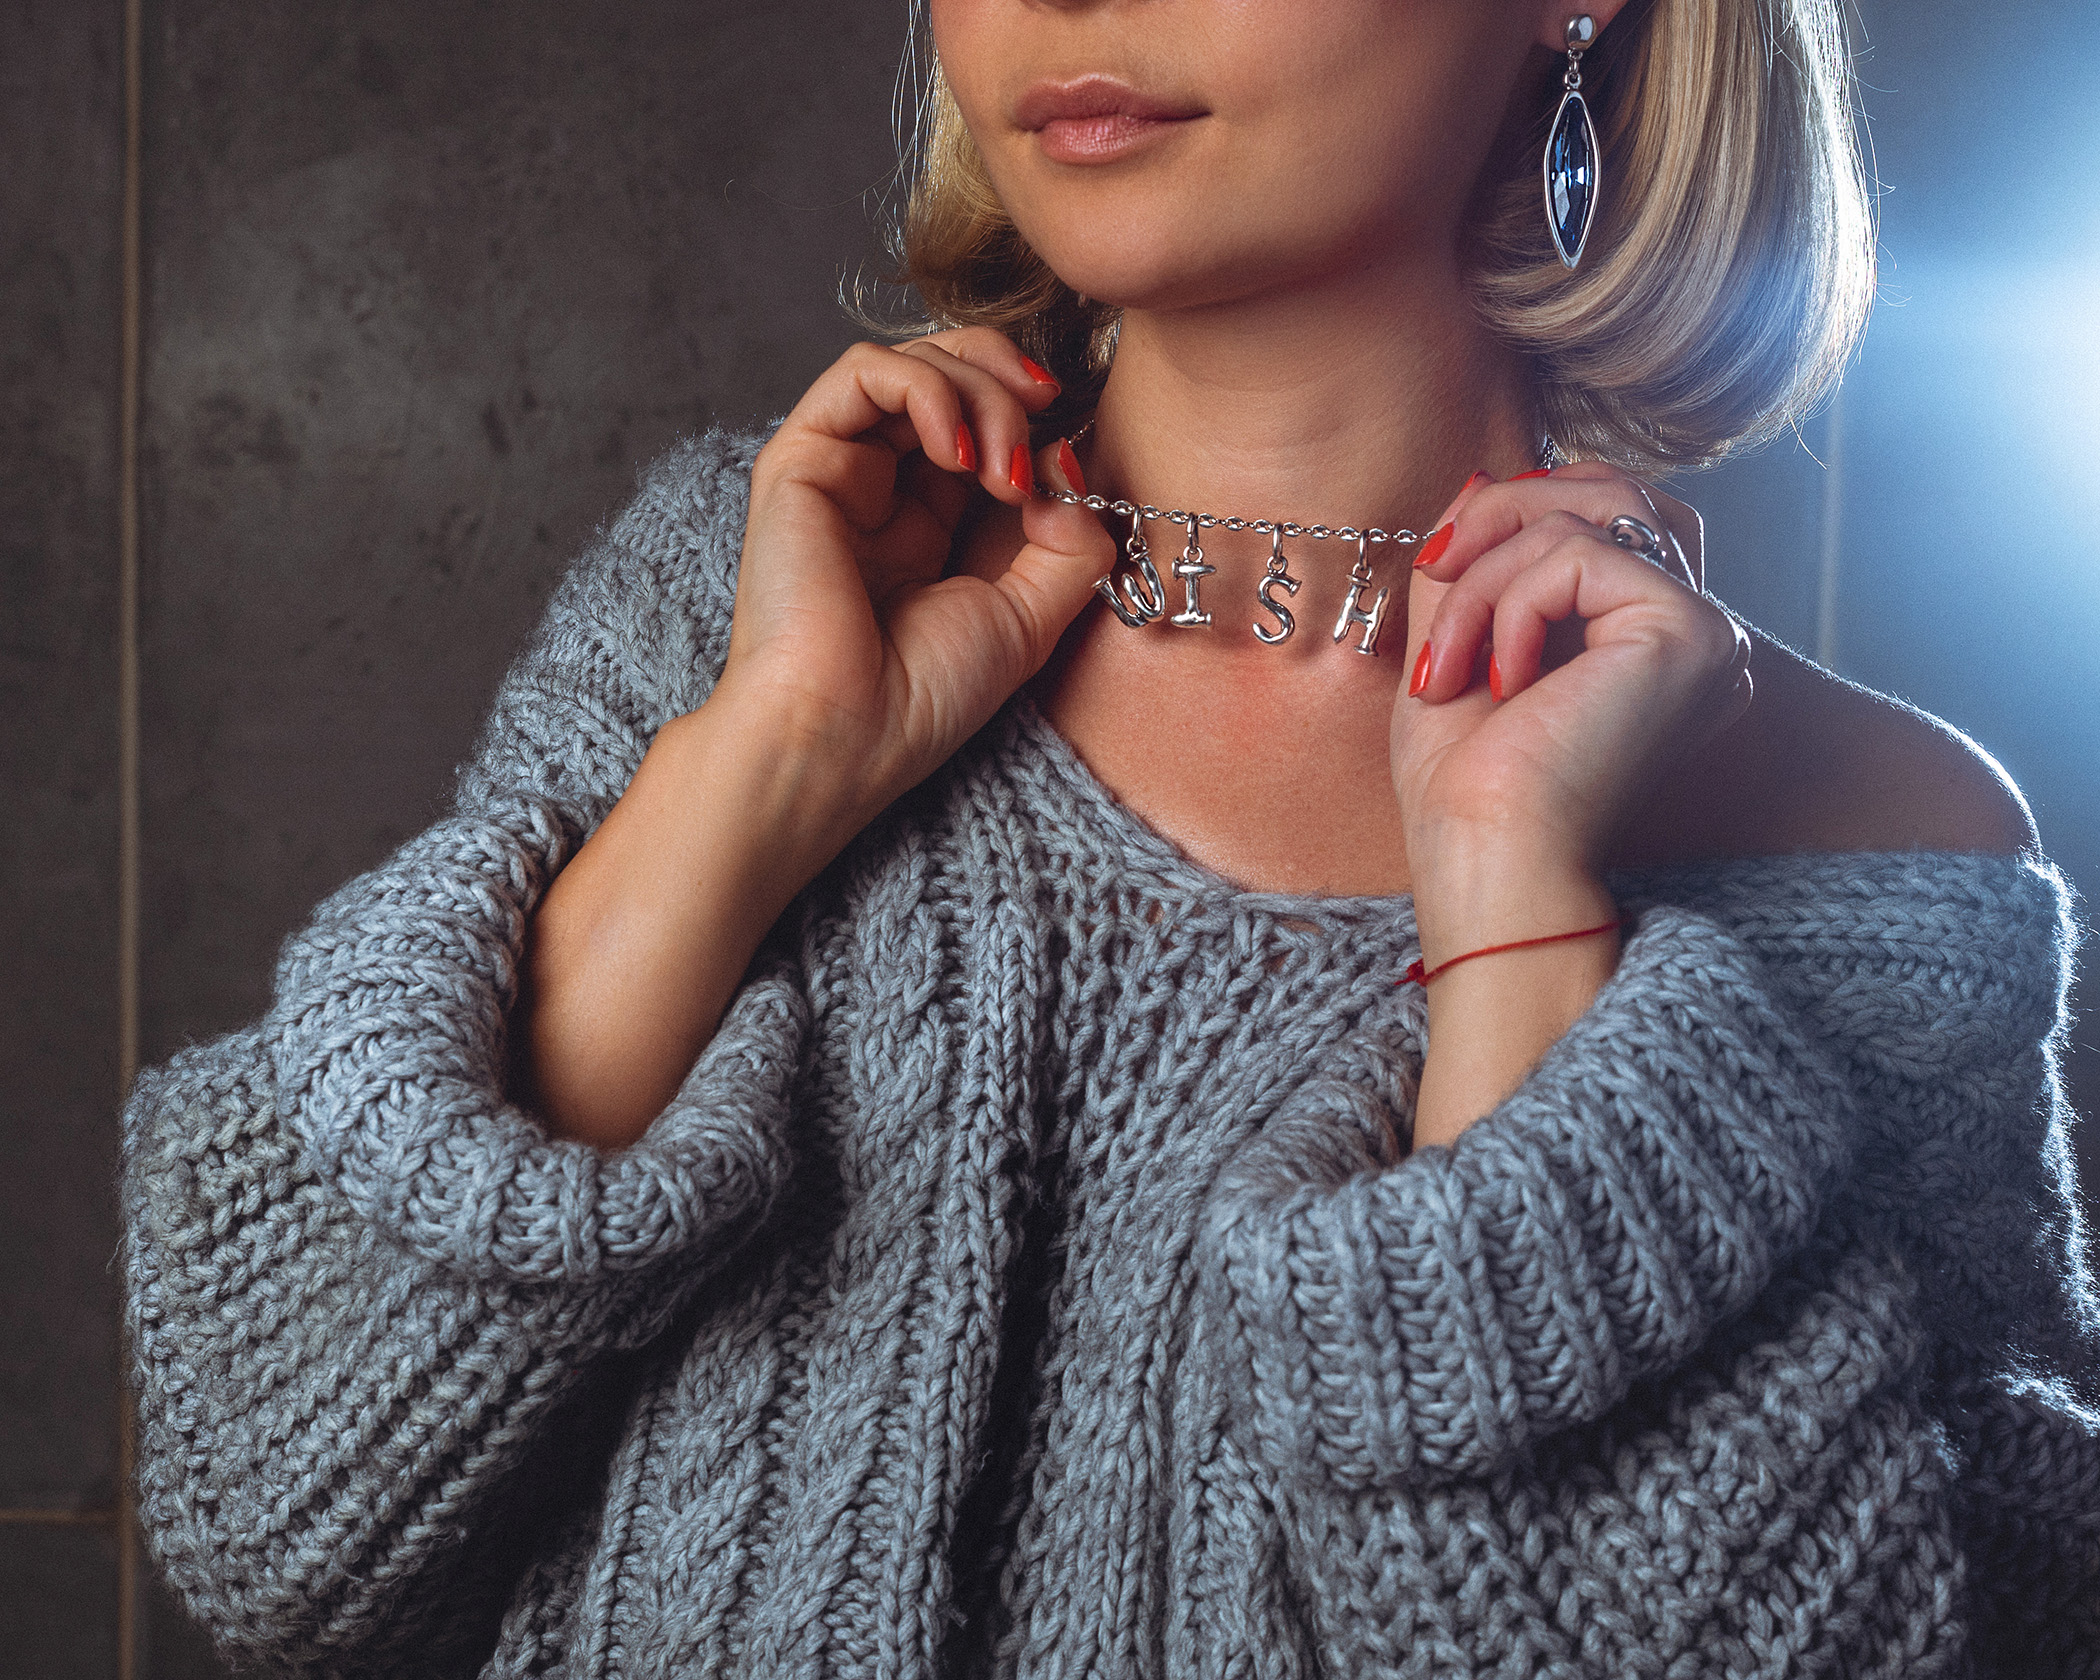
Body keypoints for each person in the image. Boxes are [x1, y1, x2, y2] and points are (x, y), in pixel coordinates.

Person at [122, 0, 2099, 1675]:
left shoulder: (1875, 850)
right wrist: (768, 767)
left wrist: (1517, 917)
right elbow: (267, 1508)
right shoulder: (724, 616)